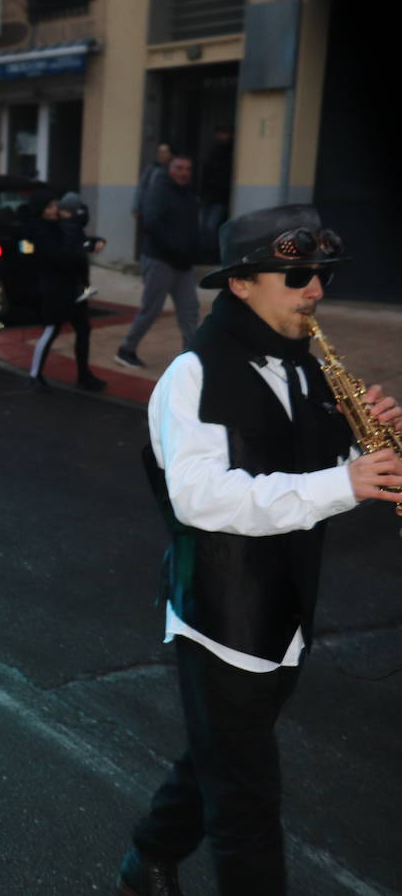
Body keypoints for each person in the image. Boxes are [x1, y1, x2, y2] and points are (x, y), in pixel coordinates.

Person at [117, 205, 402, 896]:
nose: (316, 291)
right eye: (298, 275)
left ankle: (148, 856)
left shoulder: (305, 368)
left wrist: (356, 440)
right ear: (241, 283)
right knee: (246, 804)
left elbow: (291, 465)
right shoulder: (191, 374)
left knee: (219, 756)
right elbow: (201, 498)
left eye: (321, 276)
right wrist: (345, 481)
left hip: (287, 609)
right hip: (221, 617)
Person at [116, 154, 200, 369]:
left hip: (183, 263)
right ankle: (126, 350)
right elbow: (151, 224)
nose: (183, 173)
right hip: (160, 260)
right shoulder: (159, 190)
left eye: (187, 169)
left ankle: (191, 357)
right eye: (179, 168)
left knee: (190, 310)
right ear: (169, 169)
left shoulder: (189, 193)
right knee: (151, 309)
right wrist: (175, 248)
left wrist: (194, 249)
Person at [26, 191, 106, 392]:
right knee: (51, 331)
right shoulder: (42, 232)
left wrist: (92, 242)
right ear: (41, 211)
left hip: (74, 290)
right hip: (55, 291)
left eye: (56, 205)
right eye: (51, 207)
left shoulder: (60, 226)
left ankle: (84, 375)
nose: (56, 210)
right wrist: (81, 250)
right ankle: (34, 375)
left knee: (83, 330)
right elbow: (60, 257)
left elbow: (78, 241)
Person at [199, 127, 234, 262]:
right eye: (220, 133)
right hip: (210, 197)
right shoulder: (213, 152)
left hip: (219, 197)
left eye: (224, 133)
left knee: (211, 227)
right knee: (206, 227)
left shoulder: (228, 153)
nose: (222, 136)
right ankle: (207, 254)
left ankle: (212, 256)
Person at [132, 142, 173, 220]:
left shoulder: (174, 170)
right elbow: (141, 187)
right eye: (159, 152)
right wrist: (136, 207)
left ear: (170, 154)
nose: (161, 155)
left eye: (164, 152)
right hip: (151, 210)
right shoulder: (152, 168)